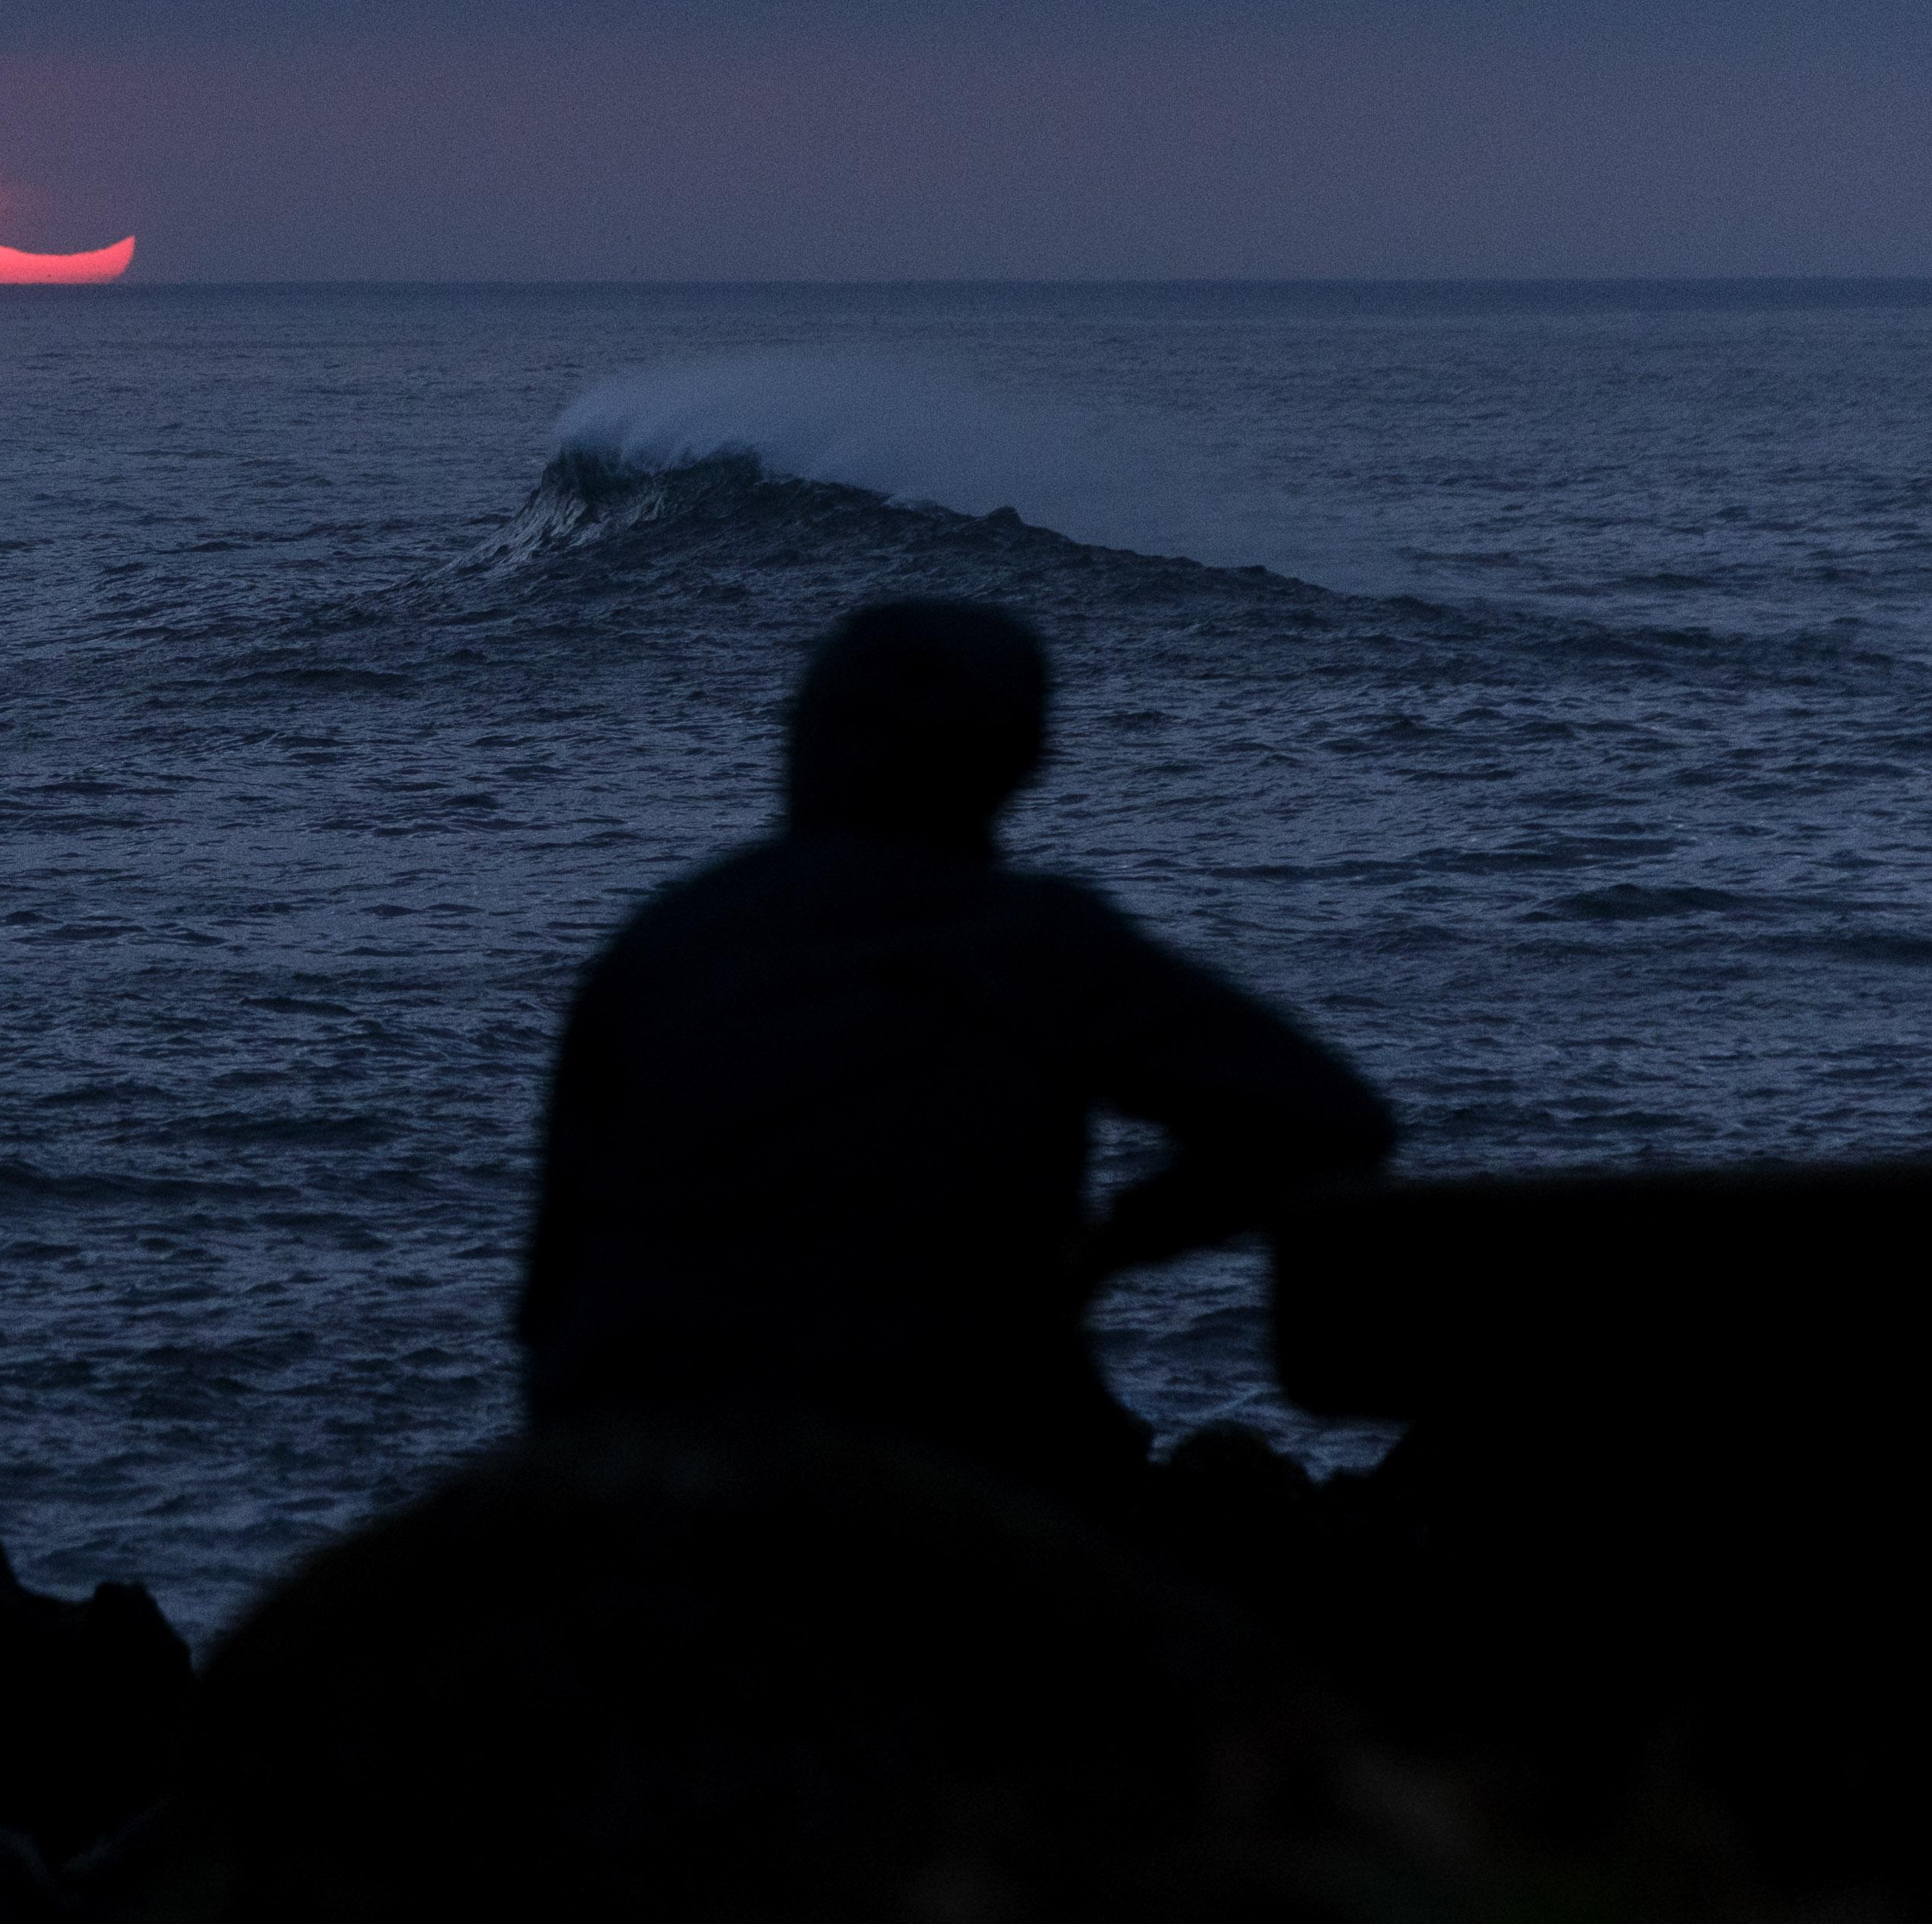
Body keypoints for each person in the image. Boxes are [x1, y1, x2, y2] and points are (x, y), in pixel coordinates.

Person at [515, 599, 1392, 1513]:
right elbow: (1330, 1120)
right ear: (1021, 763)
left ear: (801, 740)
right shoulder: (1028, 938)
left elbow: (547, 1299)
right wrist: (1106, 1248)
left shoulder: (657, 945)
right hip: (934, 1471)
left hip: (619, 1474)